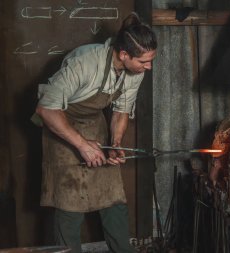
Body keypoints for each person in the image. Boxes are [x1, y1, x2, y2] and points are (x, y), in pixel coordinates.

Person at [34, 12, 157, 253]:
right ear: (124, 54)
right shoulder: (85, 62)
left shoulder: (134, 72)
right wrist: (81, 145)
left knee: (113, 198)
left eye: (151, 60)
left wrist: (115, 143)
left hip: (94, 123)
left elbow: (121, 111)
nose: (149, 67)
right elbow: (45, 109)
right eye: (144, 61)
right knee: (69, 203)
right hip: (61, 124)